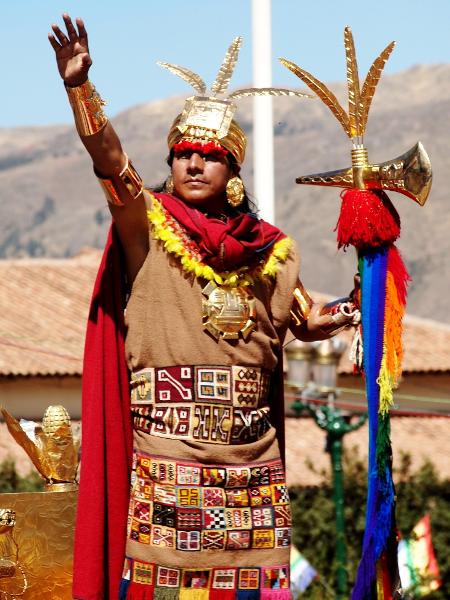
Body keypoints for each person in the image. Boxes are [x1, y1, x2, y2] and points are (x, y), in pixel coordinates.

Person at [49, 14, 359, 600]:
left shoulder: (271, 250)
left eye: (210, 155)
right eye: (182, 154)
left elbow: (308, 322)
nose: (193, 165)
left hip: (253, 476)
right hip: (168, 472)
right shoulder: (148, 229)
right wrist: (79, 87)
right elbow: (110, 160)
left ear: (233, 171)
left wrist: (355, 304)